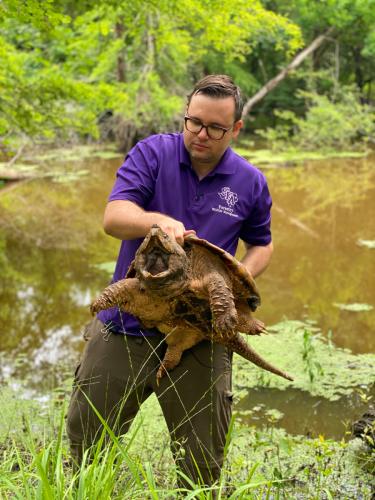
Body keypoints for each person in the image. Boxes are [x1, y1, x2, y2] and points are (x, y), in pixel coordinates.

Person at [66, 74, 273, 490]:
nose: (201, 134)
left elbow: (262, 244)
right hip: (129, 322)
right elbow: (114, 217)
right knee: (86, 440)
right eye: (193, 122)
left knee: (200, 462)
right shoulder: (153, 153)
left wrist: (241, 278)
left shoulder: (249, 181)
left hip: (200, 329)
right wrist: (158, 221)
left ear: (236, 129)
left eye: (215, 128)